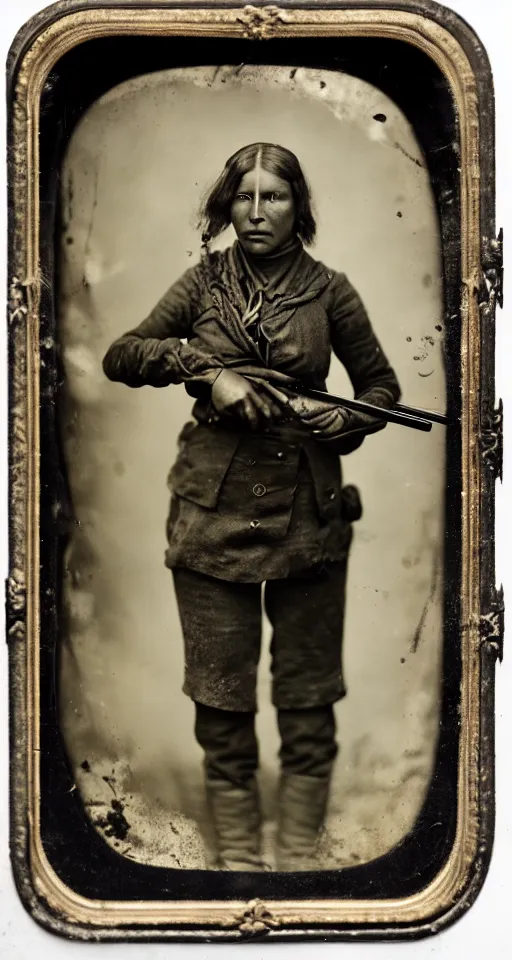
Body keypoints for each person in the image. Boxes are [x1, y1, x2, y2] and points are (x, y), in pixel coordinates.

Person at [102, 142, 401, 872]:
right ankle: (238, 868)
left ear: (301, 207)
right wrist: (208, 374)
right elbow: (124, 352)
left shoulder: (331, 291)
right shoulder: (204, 283)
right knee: (222, 702)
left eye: (275, 197)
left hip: (309, 514)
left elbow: (384, 389)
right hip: (210, 516)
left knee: (306, 702)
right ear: (227, 204)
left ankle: (301, 867)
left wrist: (351, 419)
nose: (257, 211)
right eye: (245, 197)